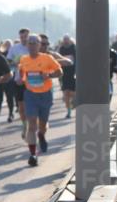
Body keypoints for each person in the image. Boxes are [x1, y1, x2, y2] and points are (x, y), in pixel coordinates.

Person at [16, 34, 63, 167]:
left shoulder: (47, 58)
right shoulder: (23, 59)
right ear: (27, 45)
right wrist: (20, 80)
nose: (32, 46)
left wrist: (49, 75)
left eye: (34, 43)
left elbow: (60, 71)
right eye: (30, 43)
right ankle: (33, 154)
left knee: (42, 124)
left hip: (45, 95)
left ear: (39, 45)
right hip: (30, 95)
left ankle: (41, 135)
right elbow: (22, 74)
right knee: (31, 124)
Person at [7, 28, 31, 135]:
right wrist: (15, 63)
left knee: (31, 104)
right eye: (22, 37)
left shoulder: (33, 47)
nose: (24, 39)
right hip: (19, 80)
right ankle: (24, 124)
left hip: (33, 80)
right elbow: (8, 62)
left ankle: (32, 124)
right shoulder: (14, 48)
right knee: (21, 107)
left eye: (26, 36)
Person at [57, 34, 77, 118]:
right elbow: (58, 60)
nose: (66, 41)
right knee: (66, 94)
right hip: (64, 74)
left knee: (73, 93)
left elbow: (78, 59)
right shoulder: (61, 49)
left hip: (73, 73)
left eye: (67, 39)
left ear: (69, 40)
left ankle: (74, 102)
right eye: (64, 39)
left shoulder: (74, 48)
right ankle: (68, 111)